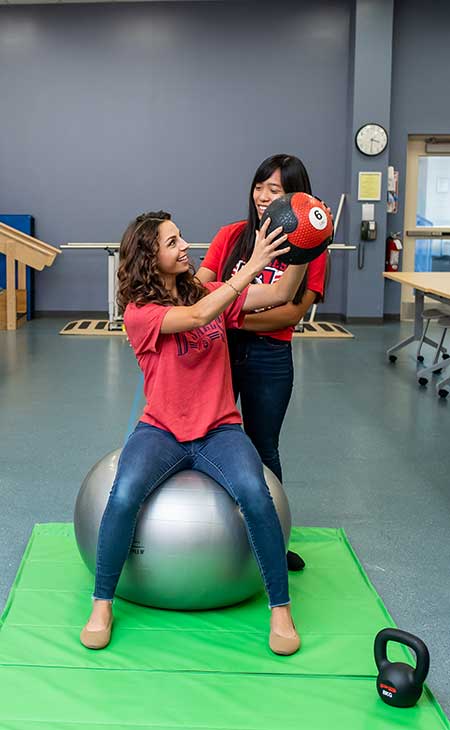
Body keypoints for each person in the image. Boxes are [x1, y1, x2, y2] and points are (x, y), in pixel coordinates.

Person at [80, 209, 322, 656]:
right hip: (162, 430)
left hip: (220, 430)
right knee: (124, 492)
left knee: (254, 492)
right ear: (149, 258)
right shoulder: (141, 313)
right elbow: (193, 317)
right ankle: (102, 603)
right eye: (172, 242)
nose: (184, 245)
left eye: (181, 237)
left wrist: (307, 242)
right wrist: (246, 269)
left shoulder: (211, 294)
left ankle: (281, 609)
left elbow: (284, 291)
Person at [196, 154, 329, 573]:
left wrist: (230, 313)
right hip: (218, 351)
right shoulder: (233, 235)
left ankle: (273, 537)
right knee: (206, 436)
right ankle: (207, 533)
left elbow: (290, 313)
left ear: (296, 198)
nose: (263, 197)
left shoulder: (309, 247)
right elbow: (201, 286)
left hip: (270, 357)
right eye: (260, 186)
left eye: (276, 190)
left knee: (262, 445)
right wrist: (217, 312)